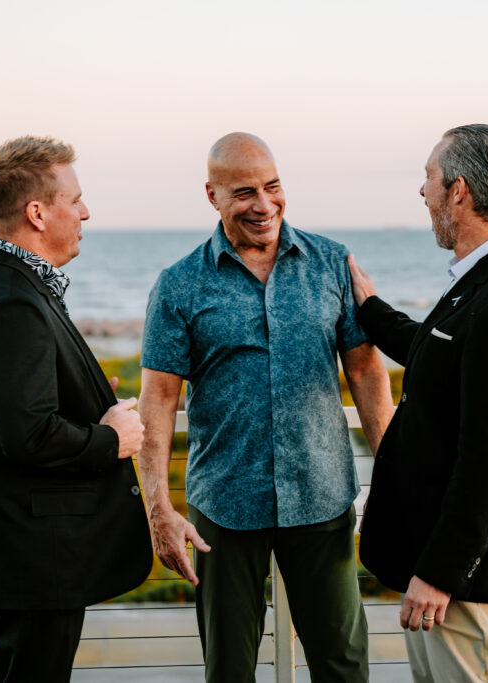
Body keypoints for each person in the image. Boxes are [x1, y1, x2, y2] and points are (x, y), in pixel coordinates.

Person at [138, 132, 394, 683]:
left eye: (273, 187)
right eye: (244, 192)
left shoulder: (331, 264)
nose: (263, 204)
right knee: (228, 670)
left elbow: (367, 373)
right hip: (224, 507)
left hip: (321, 497)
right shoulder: (179, 285)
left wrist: (395, 475)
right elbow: (157, 402)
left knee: (344, 665)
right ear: (212, 195)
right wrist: (159, 510)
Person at [0, 136, 153, 683]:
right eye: (76, 199)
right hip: (33, 556)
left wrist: (88, 400)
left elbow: (17, 404)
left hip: (28, 553)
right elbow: (30, 435)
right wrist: (113, 440)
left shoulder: (5, 283)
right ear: (37, 213)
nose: (86, 211)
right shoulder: (13, 299)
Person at [347, 124, 488, 683]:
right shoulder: (485, 279)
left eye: (429, 178)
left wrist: (440, 575)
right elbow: (437, 351)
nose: (423, 192)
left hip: (466, 585)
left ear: (458, 191)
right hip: (444, 573)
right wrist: (370, 310)